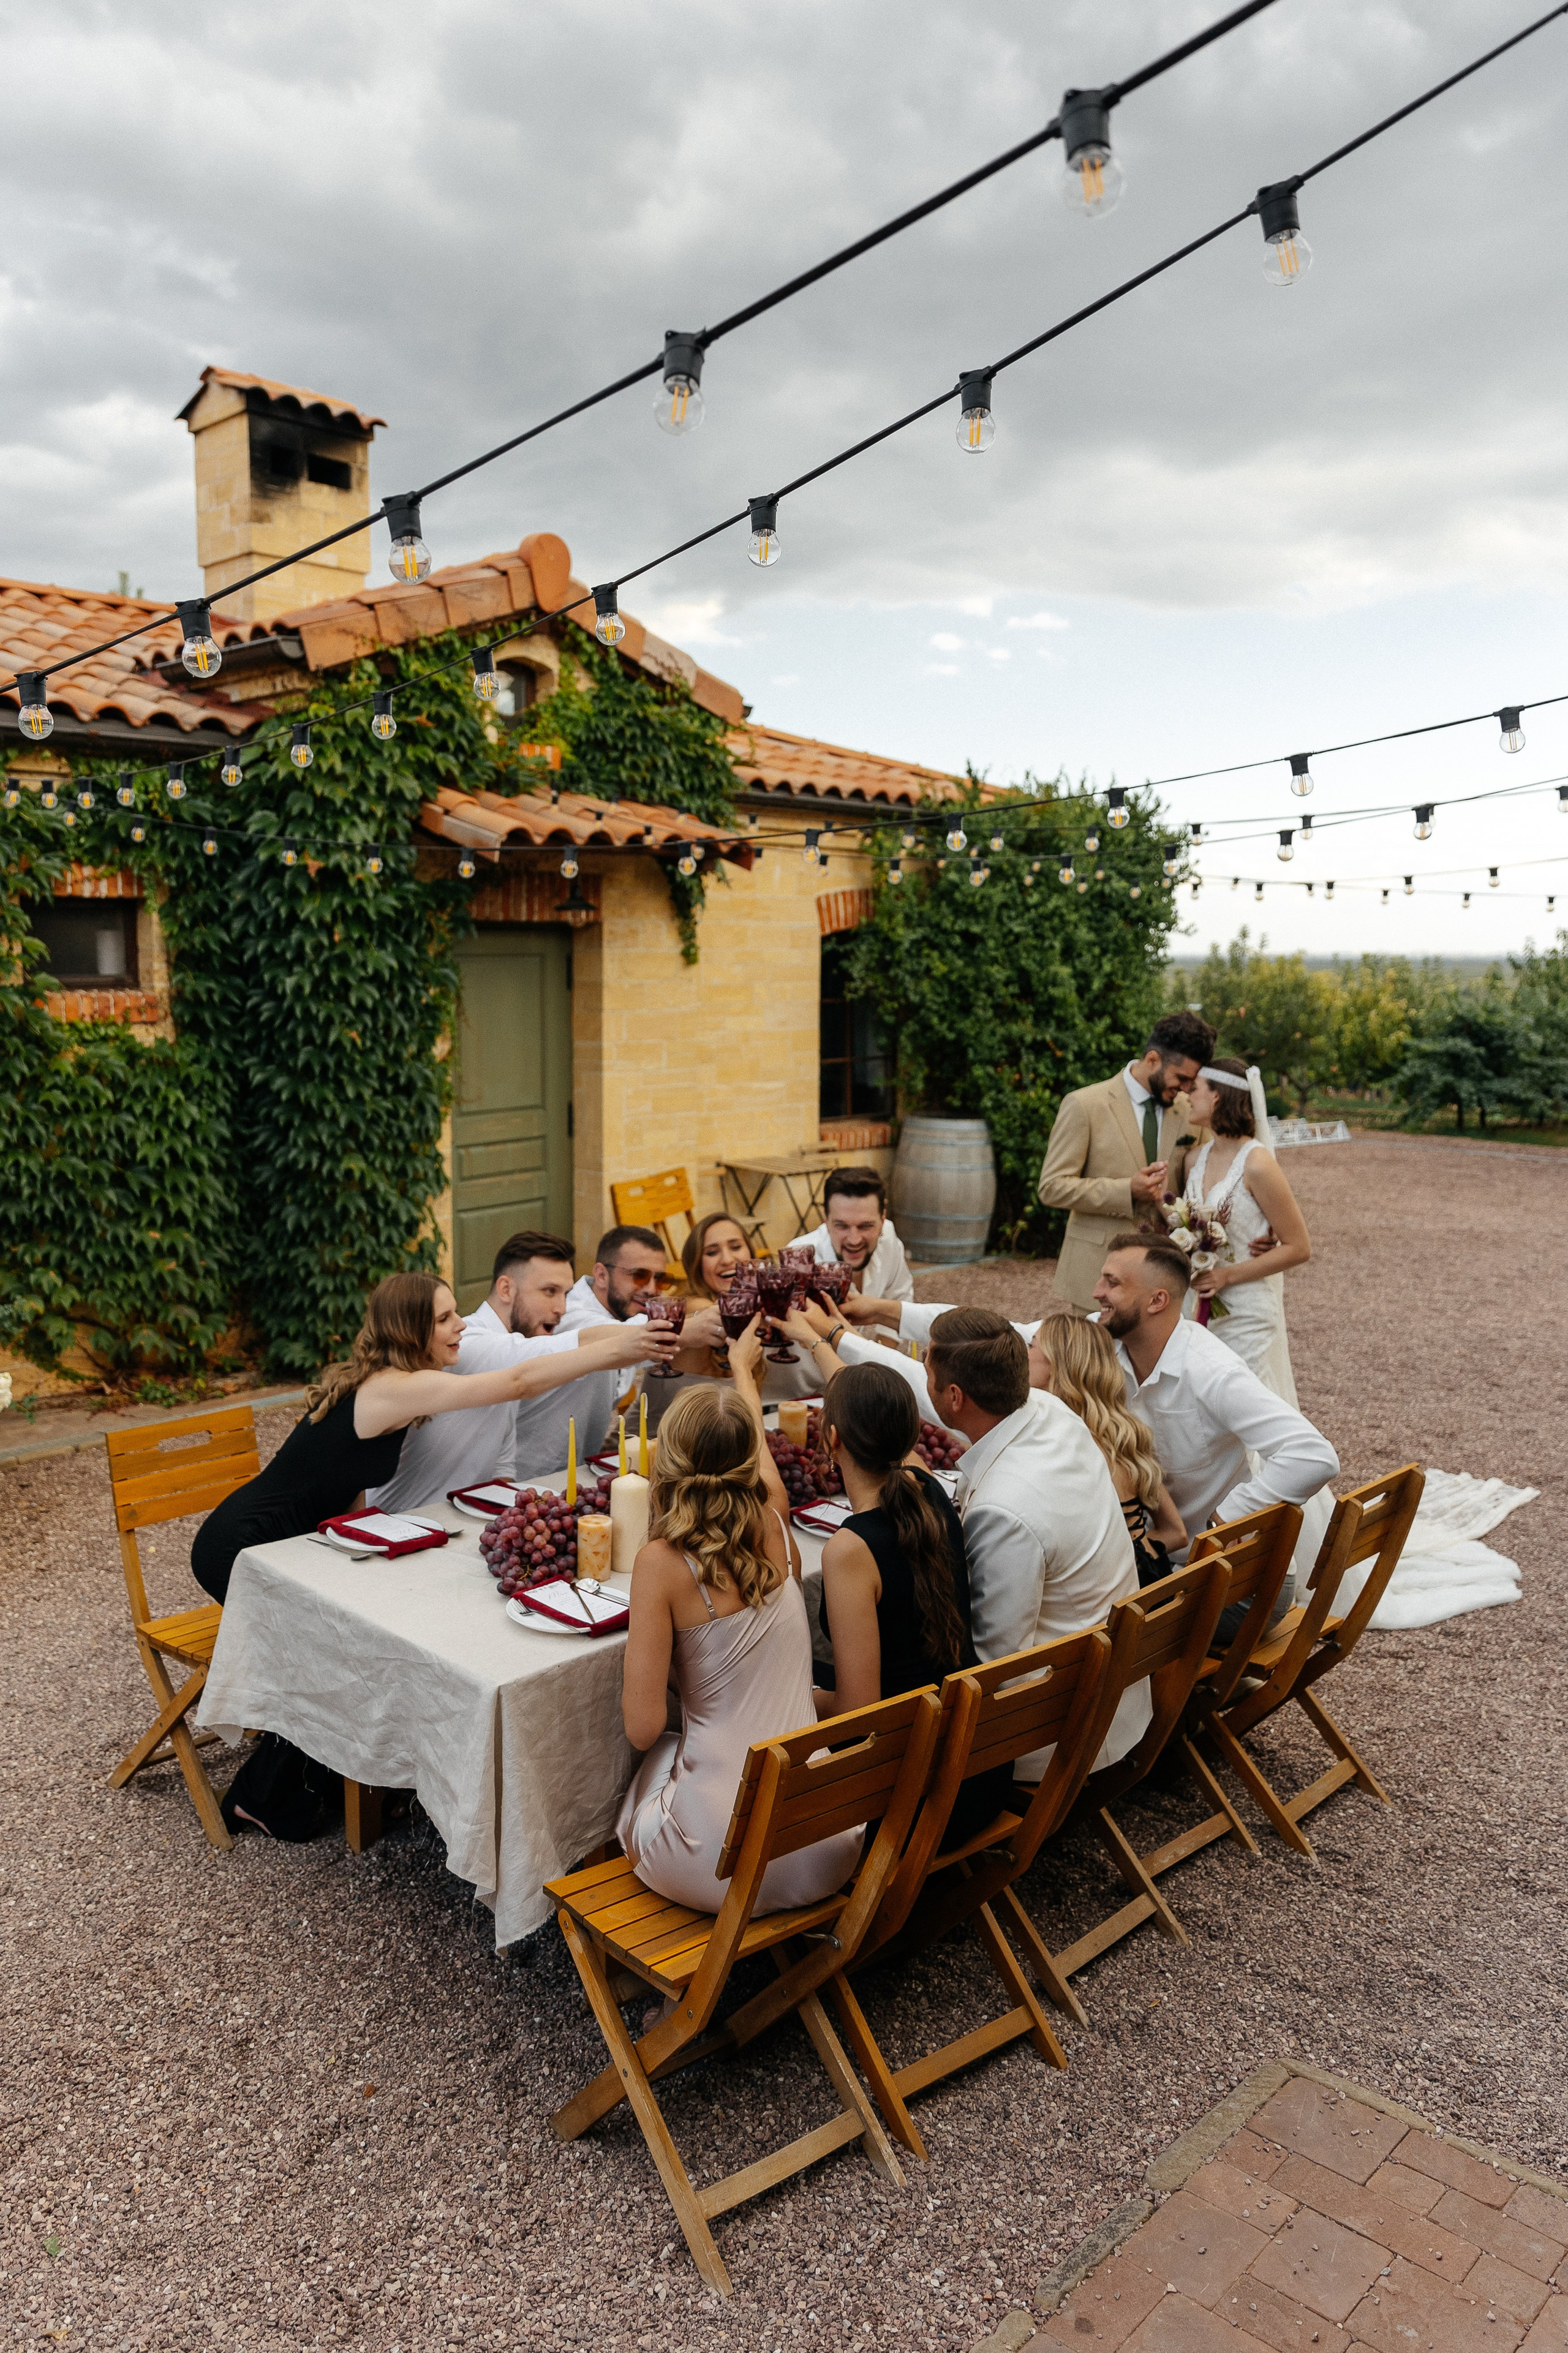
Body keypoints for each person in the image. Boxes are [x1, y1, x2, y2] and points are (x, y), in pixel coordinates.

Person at [194, 1272, 673, 1835]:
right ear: (411, 1328)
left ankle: (351, 1778)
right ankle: (262, 1794)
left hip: (295, 1542)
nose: (461, 1326)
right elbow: (518, 1381)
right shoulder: (395, 1386)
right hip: (245, 1544)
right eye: (445, 1318)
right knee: (330, 1649)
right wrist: (617, 1347)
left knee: (361, 1630)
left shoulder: (394, 1384)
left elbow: (342, 1483)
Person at [616, 1335, 862, 1916]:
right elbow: (770, 1485)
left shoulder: (661, 1562)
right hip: (826, 1842)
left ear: (666, 1459)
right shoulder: (777, 1523)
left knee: (648, 1770)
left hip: (723, 1862)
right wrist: (746, 1386)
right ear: (751, 1457)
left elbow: (642, 1727)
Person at [922, 1307, 1149, 1772]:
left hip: (1060, 1727)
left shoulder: (1005, 1511)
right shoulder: (1049, 1409)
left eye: (926, 1366)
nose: (922, 1373)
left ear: (954, 1395)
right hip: (1115, 1684)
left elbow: (993, 1663)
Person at [813, 1361, 1014, 1842]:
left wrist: (795, 1699)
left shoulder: (850, 1550)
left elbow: (859, 1716)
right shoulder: (929, 1492)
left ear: (833, 1439)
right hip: (978, 1763)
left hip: (919, 1795)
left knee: (782, 1692)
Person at [1092, 1234, 1338, 1626]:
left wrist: (1227, 1520)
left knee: (1080, 1630)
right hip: (1161, 1568)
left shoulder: (1211, 1370)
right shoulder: (1102, 1339)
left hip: (1235, 1590)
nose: (1096, 1292)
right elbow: (1022, 1340)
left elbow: (1313, 1455)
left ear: (1158, 1301)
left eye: (1112, 1283)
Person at [366, 1231, 612, 1511]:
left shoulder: (490, 1358)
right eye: (549, 1291)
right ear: (506, 1289)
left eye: (566, 1294)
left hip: (455, 1521)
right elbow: (519, 1380)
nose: (562, 1309)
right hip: (395, 1528)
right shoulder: (468, 1350)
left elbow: (502, 1466)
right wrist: (639, 1341)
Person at [1036, 1011, 1217, 1313]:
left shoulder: (1189, 1111)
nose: (1186, 1089)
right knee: (1093, 1361)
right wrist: (1126, 1190)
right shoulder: (1085, 1105)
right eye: (1182, 1078)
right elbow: (1052, 1187)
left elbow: (1209, 1180)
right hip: (1096, 1272)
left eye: (1192, 1082)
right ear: (1153, 1060)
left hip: (1162, 1280)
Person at [1179, 1057, 1312, 1405]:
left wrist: (1226, 1277)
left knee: (1240, 1405)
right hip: (1195, 1305)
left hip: (1246, 1312)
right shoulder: (1194, 1160)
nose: (1188, 1096)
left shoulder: (1257, 1163)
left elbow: (1299, 1247)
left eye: (1195, 1089)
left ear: (1218, 1097)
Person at [1030, 1311, 1185, 1587]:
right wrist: (1138, 1552)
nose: (1023, 1354)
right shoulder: (1120, 1434)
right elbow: (1176, 1533)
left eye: (1031, 1345)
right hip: (1152, 1587)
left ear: (1058, 1365)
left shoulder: (1071, 1447)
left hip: (1118, 1609)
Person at [512, 1223, 673, 1476]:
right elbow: (629, 1339)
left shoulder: (622, 1315)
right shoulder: (570, 1314)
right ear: (601, 1275)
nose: (652, 1289)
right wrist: (695, 1323)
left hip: (578, 1469)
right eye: (639, 1275)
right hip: (526, 1476)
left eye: (661, 1279)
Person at [797, 1166, 914, 1301]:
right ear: (826, 1221)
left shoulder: (889, 1239)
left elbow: (903, 1305)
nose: (854, 1240)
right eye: (842, 1226)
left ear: (883, 1220)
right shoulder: (800, 1263)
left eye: (866, 1226)